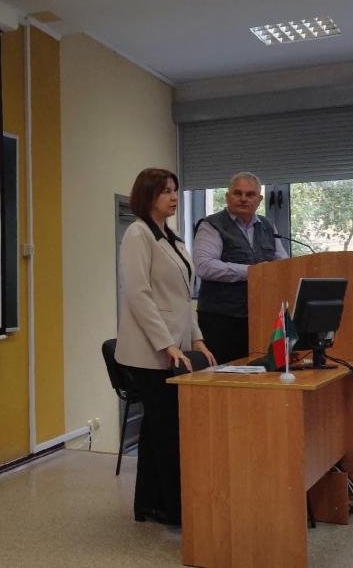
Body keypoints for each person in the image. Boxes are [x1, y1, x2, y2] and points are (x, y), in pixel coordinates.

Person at [115, 167, 216, 525]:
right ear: (148, 195)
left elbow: (182, 298)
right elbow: (139, 295)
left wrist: (197, 338)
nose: (174, 197)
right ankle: (173, 507)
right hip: (148, 352)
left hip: (173, 346)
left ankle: (148, 502)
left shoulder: (171, 237)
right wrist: (167, 344)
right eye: (166, 191)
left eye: (175, 190)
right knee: (167, 429)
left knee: (157, 428)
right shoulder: (137, 234)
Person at [193, 172, 288, 363]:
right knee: (223, 375)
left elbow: (283, 264)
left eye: (250, 194)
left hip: (260, 317)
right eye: (238, 193)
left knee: (261, 372)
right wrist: (252, 272)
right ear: (228, 196)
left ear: (259, 200)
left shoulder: (267, 226)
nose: (244, 199)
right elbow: (204, 266)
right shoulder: (211, 225)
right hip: (220, 319)